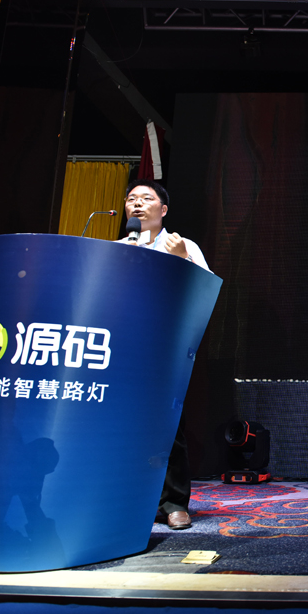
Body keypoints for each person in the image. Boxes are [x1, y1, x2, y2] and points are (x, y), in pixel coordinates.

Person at [120, 179, 211, 530]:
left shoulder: (182, 246)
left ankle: (173, 502)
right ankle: (124, 499)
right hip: (119, 347)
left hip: (163, 348)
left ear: (164, 209)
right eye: (131, 199)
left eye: (146, 198)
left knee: (166, 425)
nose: (137, 204)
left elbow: (204, 294)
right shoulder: (115, 248)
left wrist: (181, 261)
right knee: (119, 424)